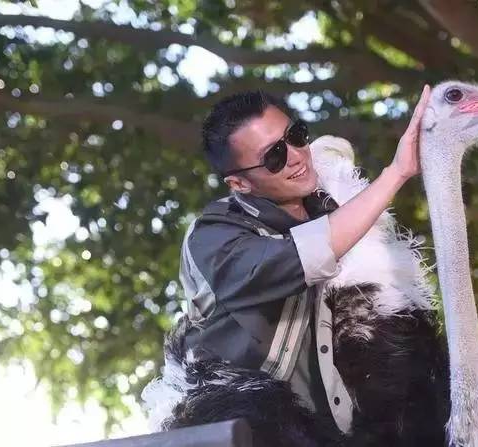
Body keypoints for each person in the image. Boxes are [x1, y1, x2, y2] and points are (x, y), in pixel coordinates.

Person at [178, 85, 431, 434]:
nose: (297, 156)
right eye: (274, 156)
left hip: (332, 428)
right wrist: (397, 172)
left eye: (296, 136)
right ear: (239, 184)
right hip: (243, 427)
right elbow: (293, 260)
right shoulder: (212, 236)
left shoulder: (334, 209)